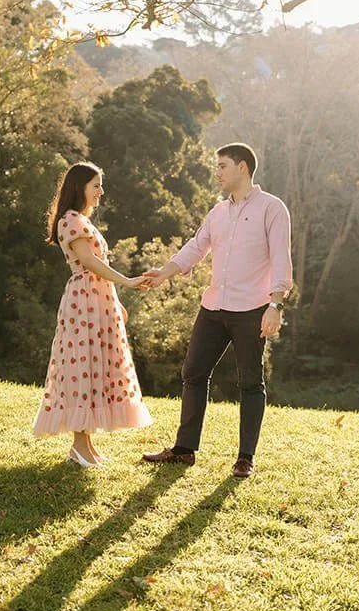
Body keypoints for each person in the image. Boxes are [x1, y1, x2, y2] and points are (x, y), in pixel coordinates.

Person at [139, 143, 292, 478]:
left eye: (222, 166)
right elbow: (196, 247)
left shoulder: (272, 208)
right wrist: (164, 272)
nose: (217, 172)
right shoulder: (218, 212)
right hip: (213, 307)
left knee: (250, 382)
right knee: (193, 372)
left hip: (251, 309)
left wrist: (275, 305)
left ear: (242, 167)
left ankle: (245, 458)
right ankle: (184, 449)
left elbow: (281, 258)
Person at [33, 162, 153, 466]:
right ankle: (78, 446)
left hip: (96, 299)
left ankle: (85, 445)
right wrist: (127, 281)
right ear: (80, 187)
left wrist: (116, 301)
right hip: (83, 301)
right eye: (96, 185)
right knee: (82, 367)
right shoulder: (70, 220)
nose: (101, 191)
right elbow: (88, 262)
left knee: (96, 368)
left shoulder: (81, 220)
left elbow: (98, 266)